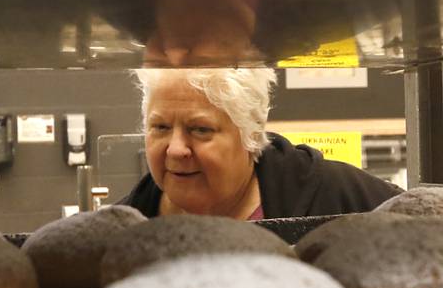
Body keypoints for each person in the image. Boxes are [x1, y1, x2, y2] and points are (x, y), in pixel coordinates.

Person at [118, 68, 402, 219]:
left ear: (250, 134)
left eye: (200, 129)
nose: (176, 149)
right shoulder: (124, 229)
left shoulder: (335, 197)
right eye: (161, 127)